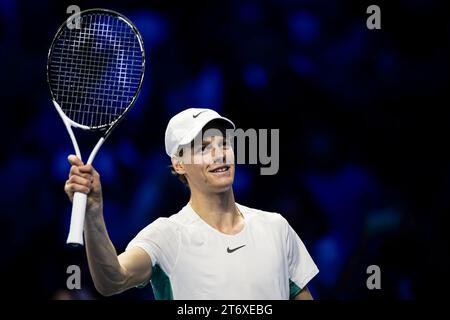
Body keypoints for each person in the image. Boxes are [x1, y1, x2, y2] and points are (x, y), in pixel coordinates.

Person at [64, 108, 319, 299]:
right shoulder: (166, 235)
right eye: (204, 147)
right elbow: (113, 280)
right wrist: (94, 214)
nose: (219, 154)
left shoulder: (276, 227)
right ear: (179, 164)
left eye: (224, 144)